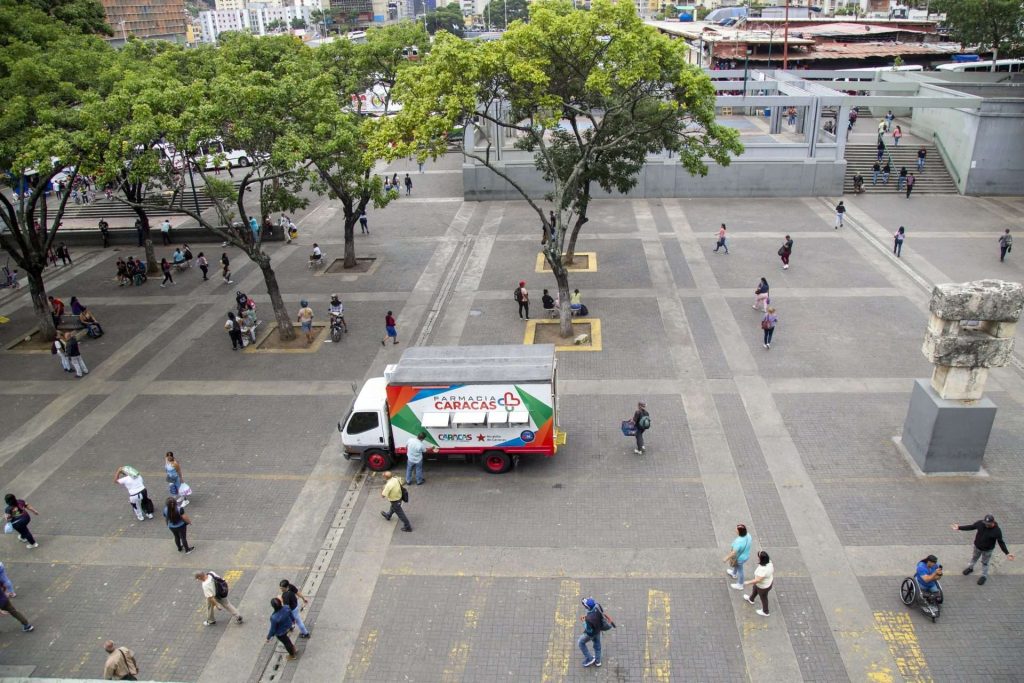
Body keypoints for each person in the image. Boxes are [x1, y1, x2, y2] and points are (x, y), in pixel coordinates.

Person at [952, 514, 1015, 585]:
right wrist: (959, 528)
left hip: (987, 550)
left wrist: (1007, 553)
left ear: (993, 522)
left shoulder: (997, 531)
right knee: (974, 558)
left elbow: (1001, 542)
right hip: (977, 547)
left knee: (985, 563)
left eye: (988, 524)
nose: (986, 525)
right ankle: (970, 568)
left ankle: (984, 576)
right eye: (985, 523)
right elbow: (971, 527)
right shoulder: (981, 523)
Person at [578, 597, 613, 668]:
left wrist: (584, 622)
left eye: (585, 605)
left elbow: (588, 630)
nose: (584, 606)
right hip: (598, 629)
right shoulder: (597, 606)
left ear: (588, 607)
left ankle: (590, 659)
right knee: (597, 646)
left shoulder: (588, 619)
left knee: (580, 643)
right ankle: (598, 661)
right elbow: (599, 615)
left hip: (591, 634)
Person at [742, 550, 774, 617]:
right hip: (764, 584)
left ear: (762, 560)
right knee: (755, 589)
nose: (758, 558)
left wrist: (748, 582)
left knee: (764, 598)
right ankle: (751, 599)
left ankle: (765, 612)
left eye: (759, 557)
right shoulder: (769, 563)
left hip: (763, 587)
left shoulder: (763, 570)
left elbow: (758, 580)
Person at [725, 524, 753, 590]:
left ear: (739, 532)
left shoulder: (739, 542)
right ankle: (733, 573)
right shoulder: (748, 535)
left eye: (737, 529)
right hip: (745, 555)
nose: (735, 530)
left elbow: (734, 552)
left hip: (740, 558)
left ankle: (740, 584)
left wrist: (726, 558)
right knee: (737, 566)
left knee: (740, 571)